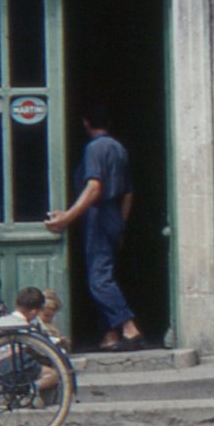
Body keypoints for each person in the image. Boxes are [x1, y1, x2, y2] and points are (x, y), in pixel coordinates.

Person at [46, 104, 143, 350]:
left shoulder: (95, 148)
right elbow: (129, 193)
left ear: (86, 123)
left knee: (99, 279)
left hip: (98, 215)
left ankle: (130, 330)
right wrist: (120, 224)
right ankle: (109, 335)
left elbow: (94, 188)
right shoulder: (118, 148)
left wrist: (67, 217)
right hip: (112, 216)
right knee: (103, 274)